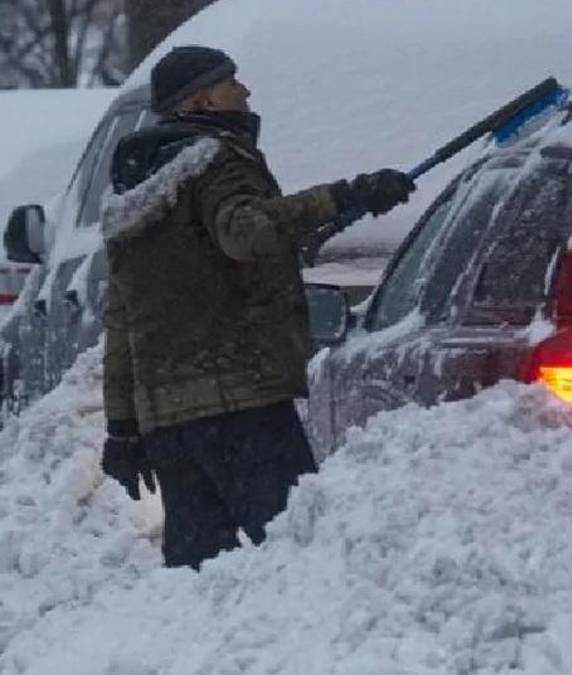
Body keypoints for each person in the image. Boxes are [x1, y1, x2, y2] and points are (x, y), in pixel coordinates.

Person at [98, 45, 414, 568]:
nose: (244, 91)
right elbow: (246, 233)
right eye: (232, 83)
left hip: (169, 424)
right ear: (201, 100)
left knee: (199, 577)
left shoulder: (132, 196)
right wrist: (340, 196)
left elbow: (122, 318)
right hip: (241, 405)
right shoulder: (216, 160)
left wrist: (123, 427)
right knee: (296, 556)